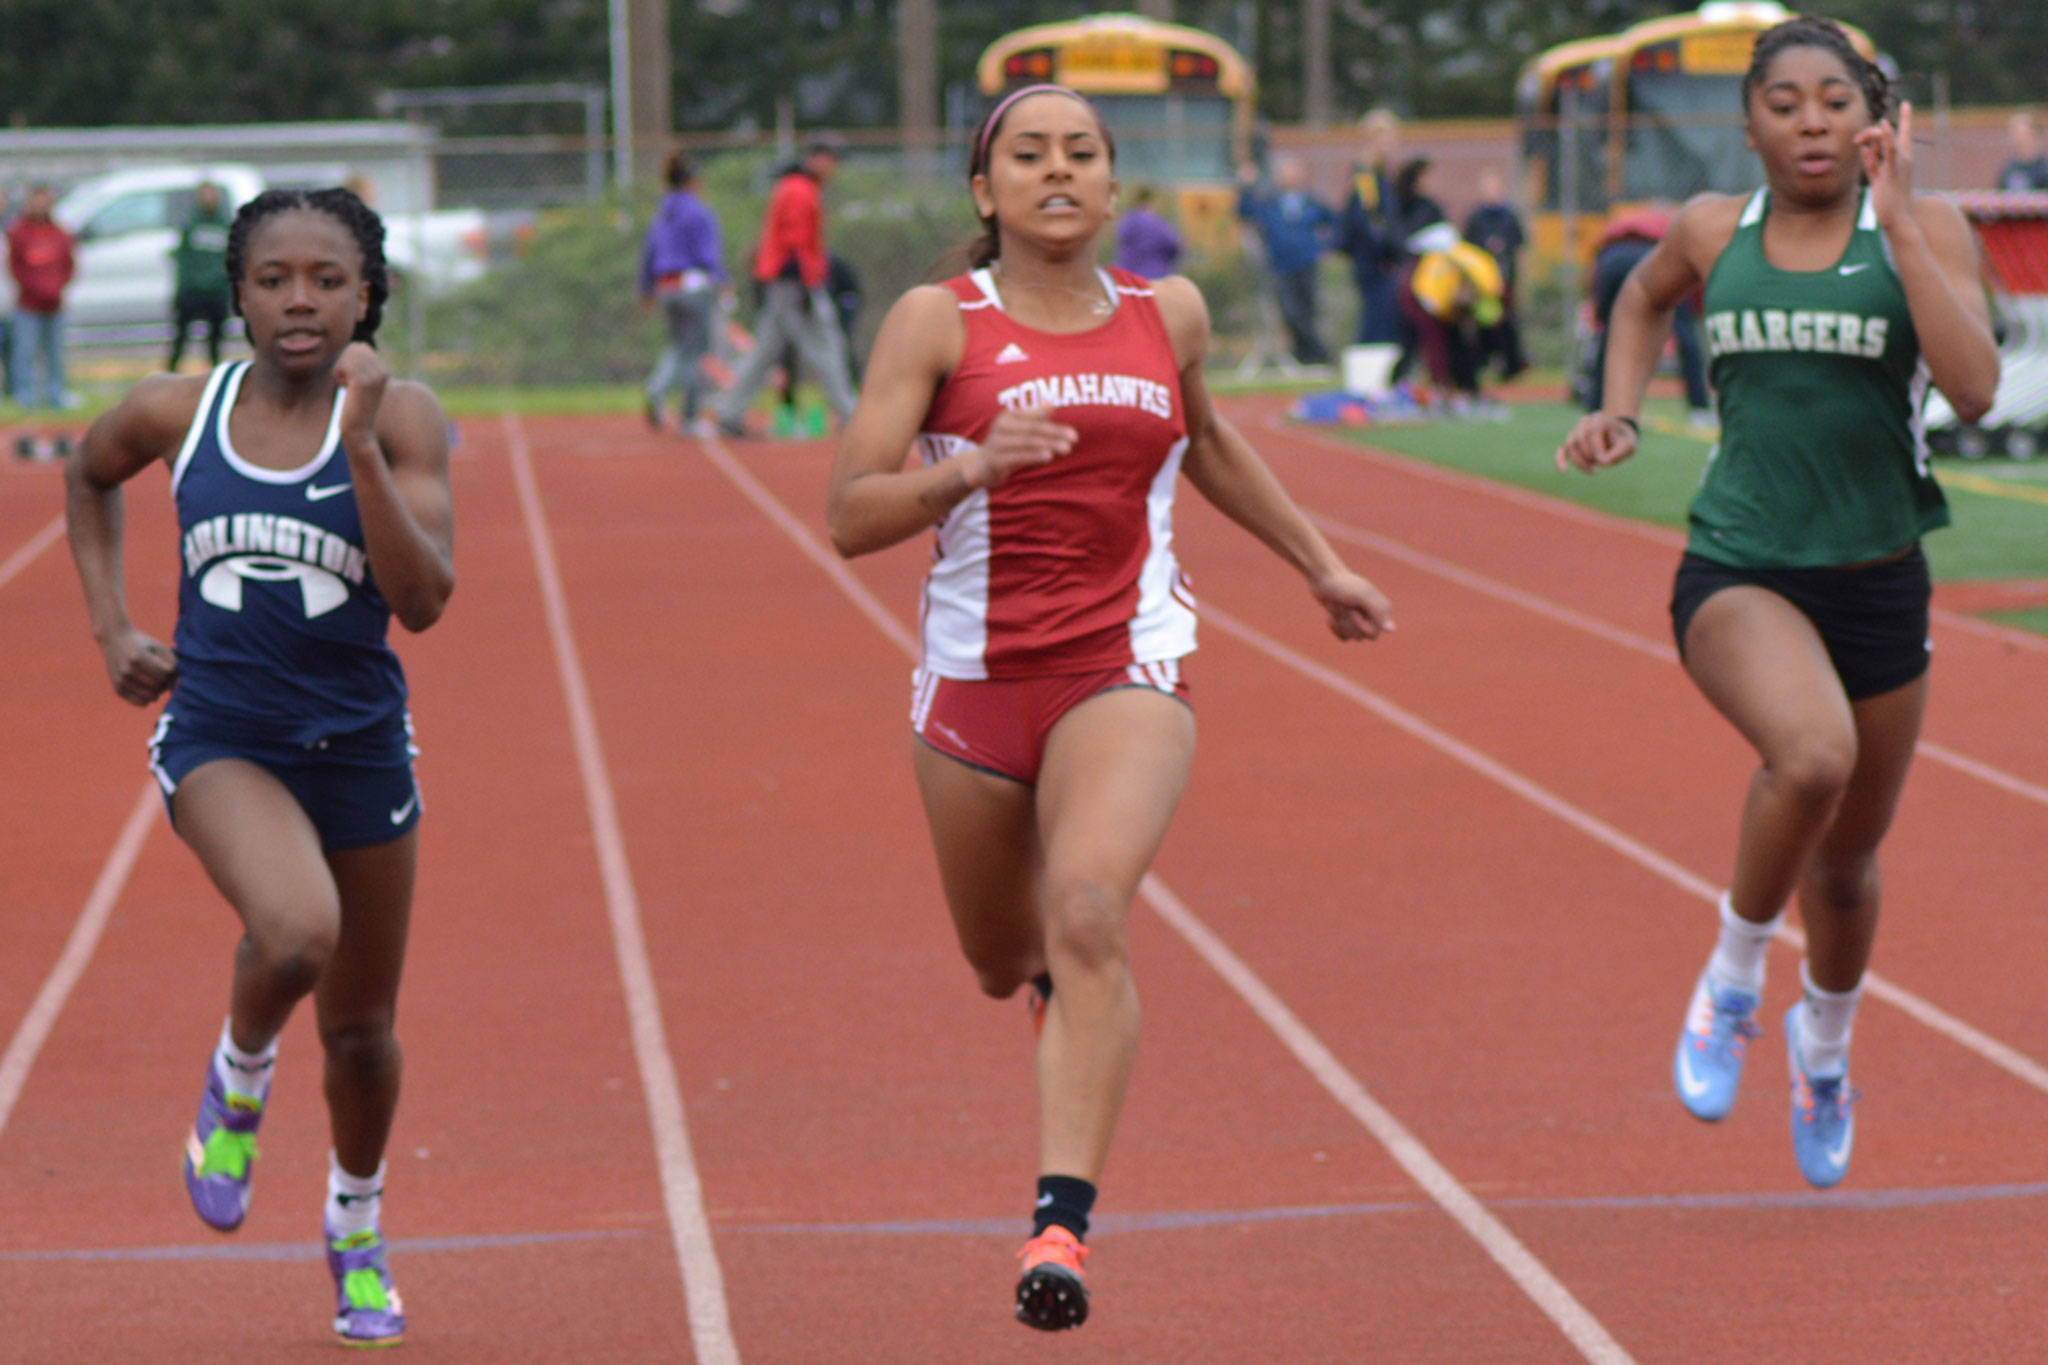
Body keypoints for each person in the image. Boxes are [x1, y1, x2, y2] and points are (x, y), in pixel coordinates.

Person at [825, 83, 1393, 1332]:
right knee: (999, 961)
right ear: (986, 192)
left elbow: (1214, 444)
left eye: (1081, 152)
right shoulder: (936, 324)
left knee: (1086, 910)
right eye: (1027, 155)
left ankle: (1059, 1231)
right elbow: (847, 512)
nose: (1056, 171)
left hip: (1123, 661)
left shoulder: (1164, 313)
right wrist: (966, 468)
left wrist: (1318, 565)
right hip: (972, 685)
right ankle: (1049, 995)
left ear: (1115, 184)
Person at [1557, 17, 1997, 1190]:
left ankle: (1822, 1051)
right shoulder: (1713, 229)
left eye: (1834, 101)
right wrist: (1622, 409)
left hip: (1878, 577)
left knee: (1846, 868)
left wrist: (1897, 226)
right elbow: (1640, 299)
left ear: (1875, 117)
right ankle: (1731, 979)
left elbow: (1970, 389)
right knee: (1808, 759)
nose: (1811, 122)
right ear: (1745, 124)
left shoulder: (1930, 227)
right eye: (1785, 103)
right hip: (1737, 565)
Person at [64, 187, 456, 1345]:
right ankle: (237, 1080)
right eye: (275, 277)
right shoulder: (176, 410)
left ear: (367, 295)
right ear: (235, 293)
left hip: (361, 749)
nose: (300, 300)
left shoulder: (408, 416)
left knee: (362, 1034)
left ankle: (355, 1229)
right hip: (224, 738)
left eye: (328, 281)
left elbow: (425, 601)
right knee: (294, 932)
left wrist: (360, 449)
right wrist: (110, 627)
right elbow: (88, 477)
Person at [713, 138, 858, 436]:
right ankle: (849, 413)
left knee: (765, 352)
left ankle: (729, 411)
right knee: (825, 346)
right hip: (794, 283)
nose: (834, 167)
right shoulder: (799, 190)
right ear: (816, 159)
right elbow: (796, 242)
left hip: (784, 283)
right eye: (830, 159)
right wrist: (807, 285)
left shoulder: (796, 187)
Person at [1582, 205, 1714, 423]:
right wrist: (1692, 313)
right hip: (1651, 256)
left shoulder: (1622, 217)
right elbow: (1691, 273)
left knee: (1608, 334)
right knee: (1685, 334)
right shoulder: (1677, 221)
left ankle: (1595, 406)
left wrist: (1596, 305)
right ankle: (1699, 406)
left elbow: (1594, 262)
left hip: (1611, 261)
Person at [639, 150, 727, 437]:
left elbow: (649, 253)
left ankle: (657, 388)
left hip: (666, 287)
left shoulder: (662, 212)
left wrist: (645, 289)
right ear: (692, 182)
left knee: (678, 347)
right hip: (693, 287)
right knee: (696, 354)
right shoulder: (700, 212)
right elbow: (709, 256)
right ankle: (689, 417)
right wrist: (723, 281)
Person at [1236, 156, 1335, 365]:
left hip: (1307, 262)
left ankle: (1312, 354)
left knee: (1309, 309)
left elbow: (1335, 222)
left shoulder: (1311, 201)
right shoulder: (1268, 202)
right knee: (1290, 311)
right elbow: (1245, 213)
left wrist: (1326, 247)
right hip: (1281, 265)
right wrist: (1246, 186)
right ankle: (1313, 353)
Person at [1399, 224, 1507, 415]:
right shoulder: (1435, 293)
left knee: (1460, 344)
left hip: (1450, 298)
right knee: (1435, 346)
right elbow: (1434, 341)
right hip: (1421, 298)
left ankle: (1468, 389)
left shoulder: (1485, 281)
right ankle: (1438, 391)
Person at [1337, 107, 1404, 346]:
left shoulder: (1381, 173)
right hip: (1373, 260)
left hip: (1378, 258)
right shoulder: (1366, 175)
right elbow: (1369, 219)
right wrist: (1387, 250)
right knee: (1376, 319)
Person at [9, 185, 75, 409]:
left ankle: (56, 394)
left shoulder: (59, 233)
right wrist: (34, 288)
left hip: (54, 305)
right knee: (25, 352)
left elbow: (69, 265)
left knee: (55, 354)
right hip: (28, 304)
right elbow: (15, 266)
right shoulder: (20, 232)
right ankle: (24, 395)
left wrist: (57, 288)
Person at [1463, 168, 1529, 381]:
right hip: (1482, 285)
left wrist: (1522, 280)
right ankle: (1482, 362)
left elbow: (1520, 249)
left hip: (1505, 281)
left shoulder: (1509, 217)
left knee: (1507, 323)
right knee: (1484, 324)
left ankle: (1511, 366)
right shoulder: (1475, 218)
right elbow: (1467, 251)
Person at [169, 180, 234, 374]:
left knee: (216, 339)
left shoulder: (225, 225)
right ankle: (172, 372)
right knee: (181, 335)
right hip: (192, 291)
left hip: (216, 291)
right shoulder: (191, 224)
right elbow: (183, 258)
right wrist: (186, 285)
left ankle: (215, 373)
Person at [1113, 184, 1182, 279]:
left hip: (1128, 277)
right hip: (1154, 276)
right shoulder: (1158, 224)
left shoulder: (1127, 221)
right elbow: (1174, 245)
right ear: (1151, 201)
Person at [1996, 109, 2048, 191]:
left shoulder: (2044, 170)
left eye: (2021, 132)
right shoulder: (2009, 169)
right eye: (2014, 132)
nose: (2016, 137)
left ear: (2034, 134)